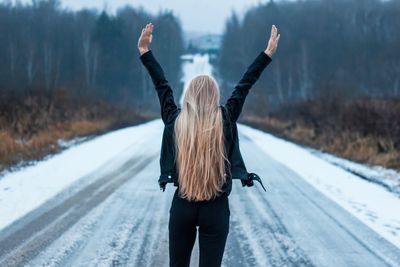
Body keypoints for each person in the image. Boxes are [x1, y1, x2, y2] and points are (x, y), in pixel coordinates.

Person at [138, 22, 280, 267]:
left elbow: (162, 85)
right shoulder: (224, 118)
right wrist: (266, 54)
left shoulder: (175, 120)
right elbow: (245, 84)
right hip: (216, 210)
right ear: (214, 96)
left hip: (183, 205)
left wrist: (144, 51)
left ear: (189, 96)